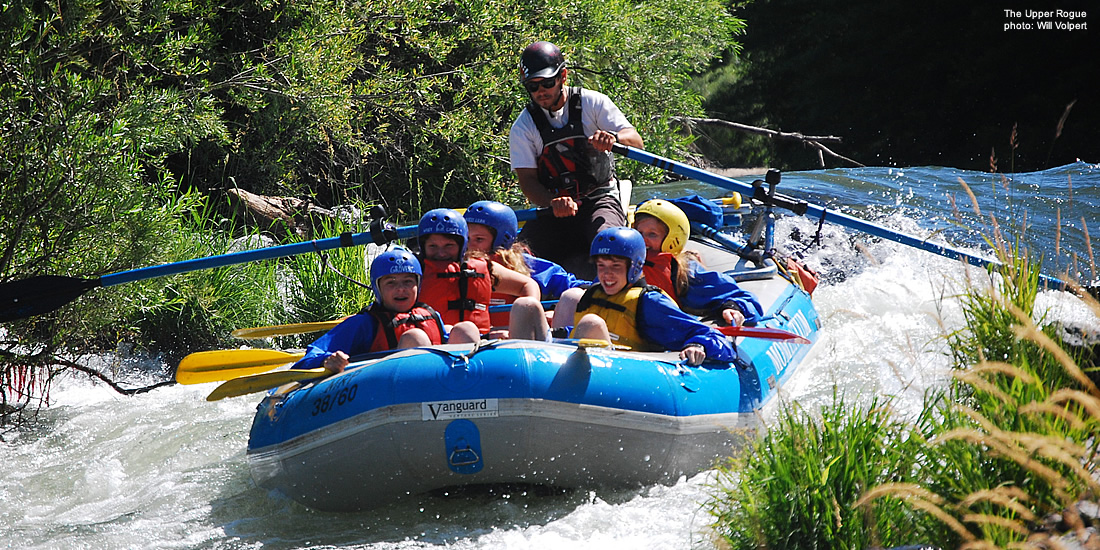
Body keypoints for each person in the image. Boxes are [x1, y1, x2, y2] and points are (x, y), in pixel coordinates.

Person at [508, 41, 644, 278]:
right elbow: (528, 182)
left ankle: (625, 291)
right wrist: (553, 202)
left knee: (608, 244)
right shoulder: (523, 127)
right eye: (533, 86)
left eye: (547, 83)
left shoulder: (594, 103)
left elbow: (636, 141)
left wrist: (614, 138)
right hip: (555, 208)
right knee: (517, 258)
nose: (541, 92)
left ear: (563, 76)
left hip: (600, 198)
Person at [294, 247, 481, 374]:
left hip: (446, 385)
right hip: (394, 391)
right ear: (378, 289)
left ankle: (474, 386)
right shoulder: (363, 323)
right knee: (415, 338)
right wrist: (327, 360)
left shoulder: (432, 315)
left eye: (408, 282)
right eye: (391, 283)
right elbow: (308, 358)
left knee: (466, 329)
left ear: (418, 285)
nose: (401, 289)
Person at [568, 227, 735, 366]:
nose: (606, 274)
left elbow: (715, 338)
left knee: (591, 323)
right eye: (601, 266)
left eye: (616, 266)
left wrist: (698, 345)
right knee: (569, 297)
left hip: (623, 374)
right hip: (587, 367)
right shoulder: (594, 293)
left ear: (634, 267)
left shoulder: (650, 303)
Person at [632, 199, 764, 326]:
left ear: (672, 238)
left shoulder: (685, 273)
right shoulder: (624, 261)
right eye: (639, 232)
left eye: (652, 234)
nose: (642, 239)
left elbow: (746, 300)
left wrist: (732, 308)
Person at [463, 200, 591, 328]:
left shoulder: (526, 264)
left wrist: (555, 311)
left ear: (502, 239)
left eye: (479, 239)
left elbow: (575, 286)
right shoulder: (457, 263)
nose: (470, 246)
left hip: (517, 335)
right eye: (467, 238)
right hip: (474, 335)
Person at [416, 208, 542, 337]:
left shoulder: (483, 267)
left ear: (462, 245)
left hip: (479, 340)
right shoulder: (414, 271)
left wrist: (521, 323)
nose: (441, 253)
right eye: (433, 246)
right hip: (431, 341)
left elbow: (527, 285)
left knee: (466, 329)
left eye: (449, 245)